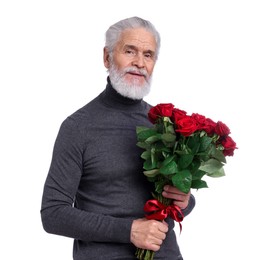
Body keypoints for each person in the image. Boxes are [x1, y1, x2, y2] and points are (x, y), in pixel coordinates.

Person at [40, 16, 196, 260]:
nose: (139, 63)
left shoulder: (164, 124)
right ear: (107, 57)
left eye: (148, 54)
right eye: (130, 51)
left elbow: (172, 205)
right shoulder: (78, 127)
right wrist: (129, 231)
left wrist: (184, 201)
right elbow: (53, 214)